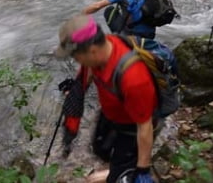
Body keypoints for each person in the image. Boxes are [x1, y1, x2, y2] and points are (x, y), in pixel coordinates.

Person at [55, 15, 156, 183]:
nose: (75, 60)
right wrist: (76, 89)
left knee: (121, 173)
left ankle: (118, 173)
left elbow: (145, 126)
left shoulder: (134, 78)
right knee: (100, 148)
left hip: (132, 127)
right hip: (111, 113)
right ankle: (114, 168)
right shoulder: (103, 47)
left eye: (75, 57)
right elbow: (87, 72)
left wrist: (143, 168)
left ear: (92, 50)